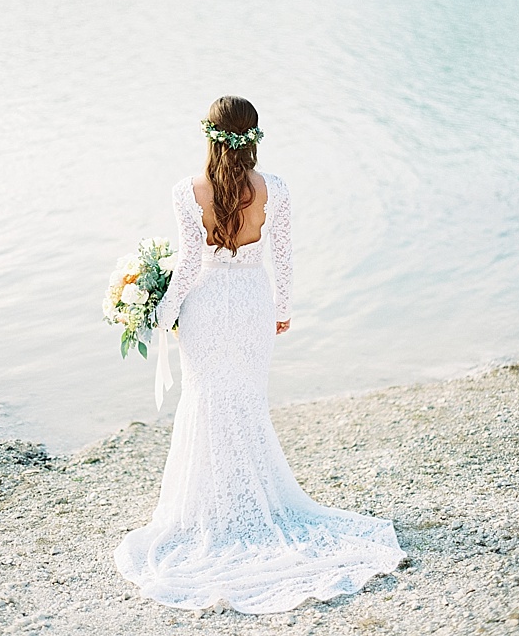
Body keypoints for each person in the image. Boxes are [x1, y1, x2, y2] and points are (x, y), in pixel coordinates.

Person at [113, 95, 406, 614]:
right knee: (245, 401)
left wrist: (162, 312)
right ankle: (249, 503)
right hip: (251, 303)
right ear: (254, 136)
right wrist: (282, 309)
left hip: (205, 307)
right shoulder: (277, 189)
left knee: (204, 400)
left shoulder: (188, 191)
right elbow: (284, 255)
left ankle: (211, 509)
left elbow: (187, 264)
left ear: (209, 135)